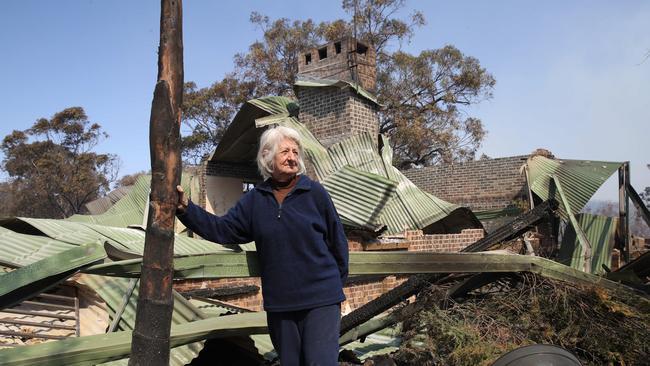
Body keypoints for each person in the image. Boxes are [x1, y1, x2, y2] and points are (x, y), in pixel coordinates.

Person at [176, 125, 349, 365]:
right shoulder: (254, 200)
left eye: (296, 152)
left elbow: (337, 241)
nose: (292, 157)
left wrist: (335, 289)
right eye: (285, 151)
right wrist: (186, 209)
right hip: (280, 304)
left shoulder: (314, 193)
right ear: (267, 156)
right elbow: (223, 229)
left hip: (321, 300)